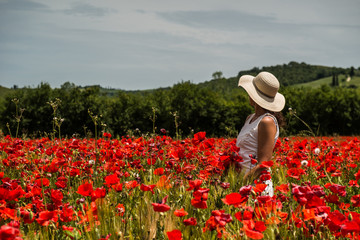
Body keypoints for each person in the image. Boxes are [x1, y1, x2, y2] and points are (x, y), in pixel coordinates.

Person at [236, 71, 285, 196]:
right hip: (242, 183)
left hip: (256, 187)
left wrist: (242, 183)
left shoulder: (266, 121)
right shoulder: (250, 118)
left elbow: (264, 163)